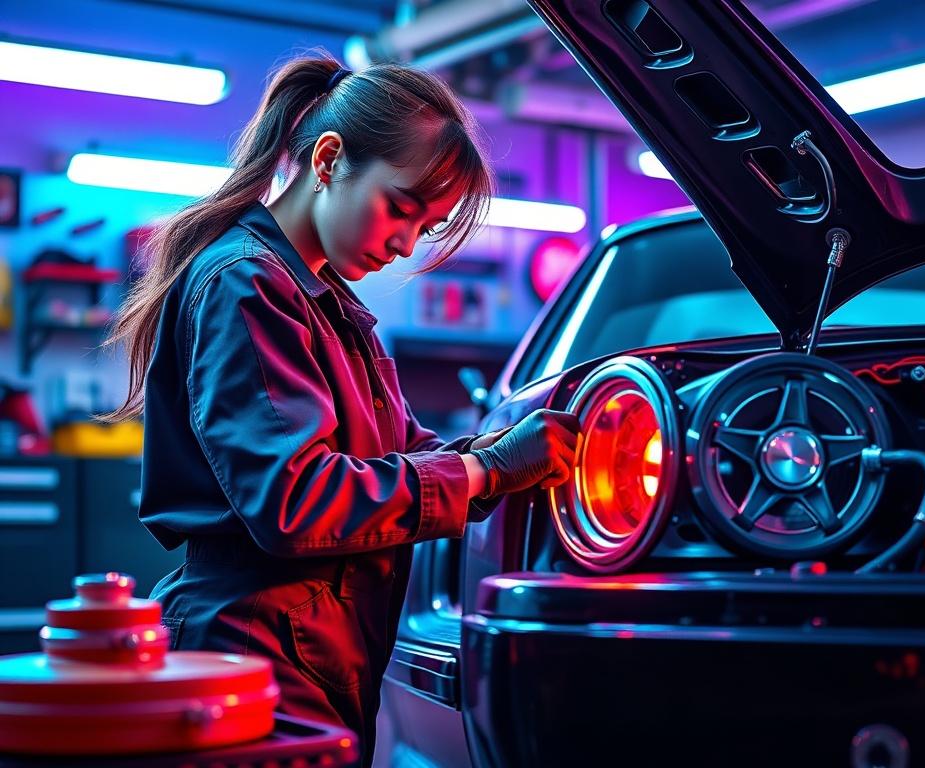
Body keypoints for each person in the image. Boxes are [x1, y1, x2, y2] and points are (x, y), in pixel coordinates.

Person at [104, 51, 580, 765]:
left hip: (309, 649)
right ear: (328, 160)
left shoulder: (328, 305)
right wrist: (483, 475)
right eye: (401, 208)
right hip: (252, 650)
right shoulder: (247, 285)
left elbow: (392, 459)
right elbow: (296, 499)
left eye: (428, 227)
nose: (406, 243)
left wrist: (497, 455)